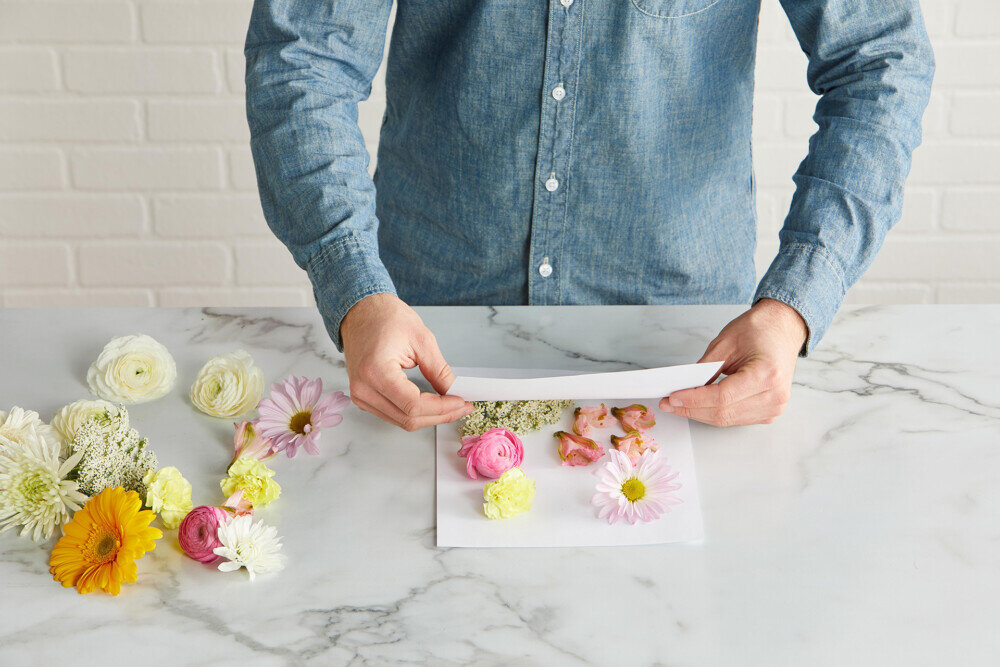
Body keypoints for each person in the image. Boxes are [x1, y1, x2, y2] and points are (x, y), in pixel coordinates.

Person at [244, 0, 934, 431]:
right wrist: (355, 288)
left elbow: (881, 61)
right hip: (424, 339)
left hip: (690, 357)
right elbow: (303, 61)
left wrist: (795, 303)